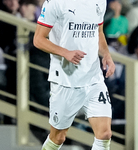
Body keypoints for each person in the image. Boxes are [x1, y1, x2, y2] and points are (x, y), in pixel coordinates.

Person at [33, 0, 115, 150]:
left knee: (104, 134)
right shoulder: (55, 3)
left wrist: (106, 54)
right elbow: (38, 39)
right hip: (65, 80)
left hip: (93, 78)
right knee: (58, 138)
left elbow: (99, 32)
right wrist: (65, 53)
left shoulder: (100, 2)